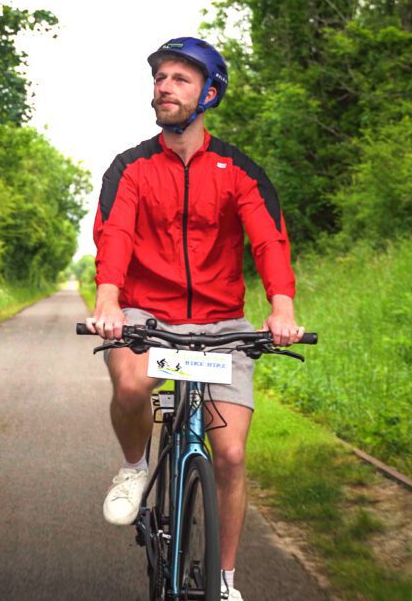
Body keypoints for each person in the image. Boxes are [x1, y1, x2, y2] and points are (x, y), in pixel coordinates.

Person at [85, 38, 304, 601]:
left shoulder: (239, 171)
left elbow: (269, 241)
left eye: (180, 79)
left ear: (209, 93)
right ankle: (134, 467)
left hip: (221, 324)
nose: (164, 86)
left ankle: (224, 580)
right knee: (131, 383)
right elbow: (116, 234)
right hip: (145, 314)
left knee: (229, 454)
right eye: (160, 77)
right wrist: (108, 300)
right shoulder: (131, 167)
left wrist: (282, 307)